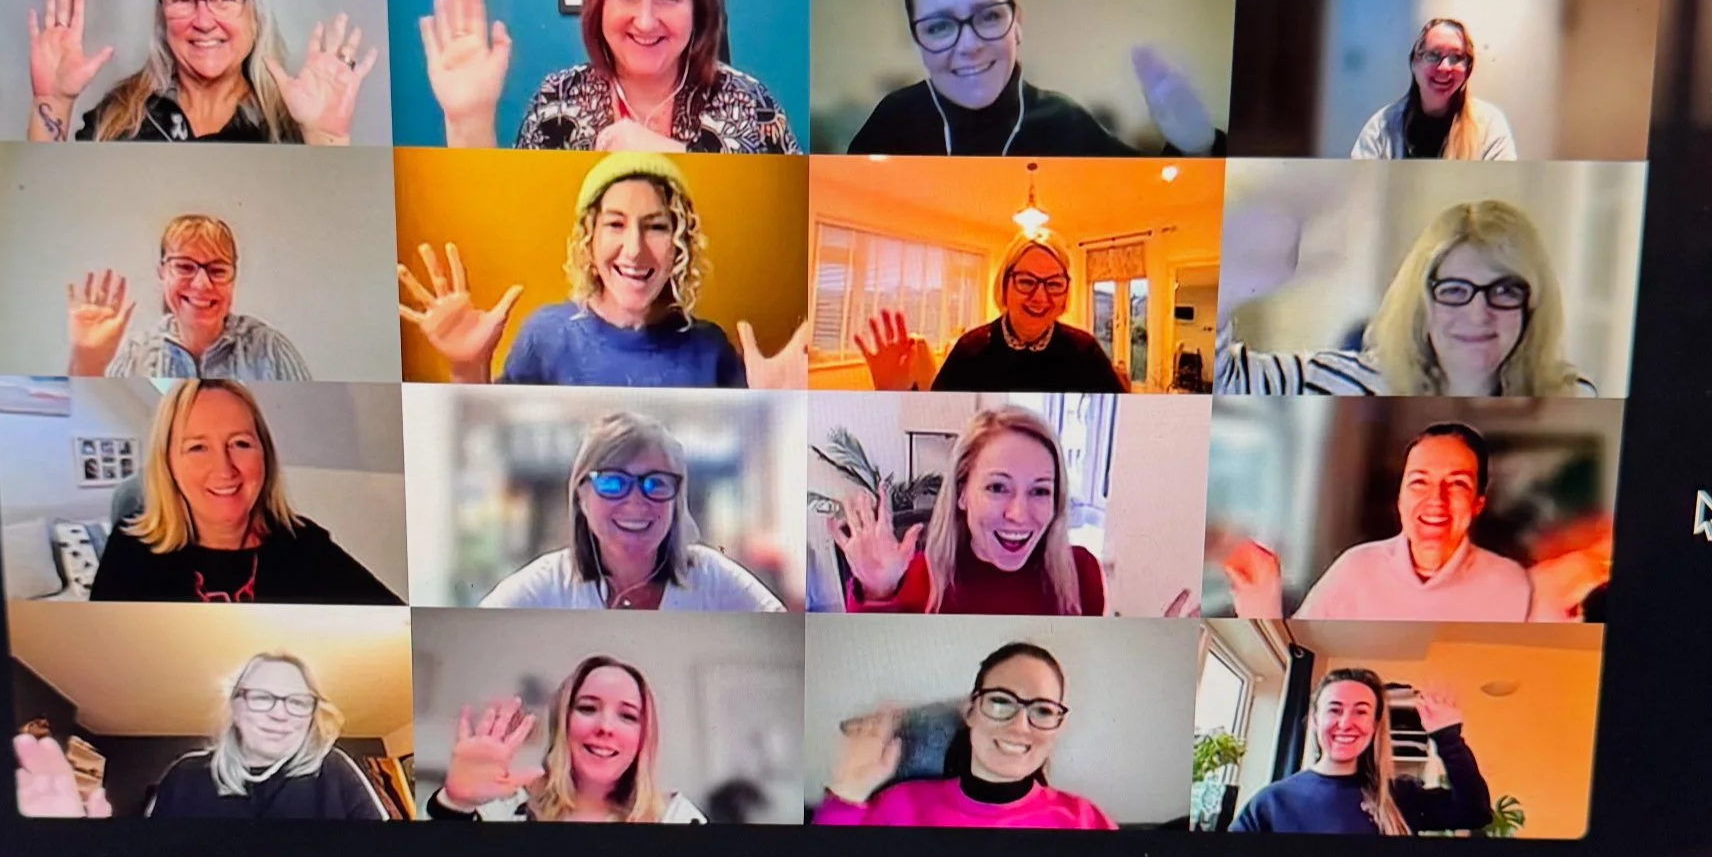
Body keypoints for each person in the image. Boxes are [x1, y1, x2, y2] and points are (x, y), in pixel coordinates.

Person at [396, 152, 808, 389]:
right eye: (615, 224)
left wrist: (779, 407)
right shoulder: (546, 336)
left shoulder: (709, 349)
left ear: (680, 243)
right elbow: (489, 456)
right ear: (588, 241)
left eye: (656, 226)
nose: (634, 249)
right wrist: (467, 370)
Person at [421, 0, 797, 153]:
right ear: (599, 5)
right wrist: (469, 121)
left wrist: (673, 156)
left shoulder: (752, 103)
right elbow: (510, 216)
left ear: (698, 10)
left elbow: (786, 220)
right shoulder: (557, 100)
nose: (646, 21)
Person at [844, 0, 1222, 156]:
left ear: (1017, 23)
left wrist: (1197, 144)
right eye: (940, 27)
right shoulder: (891, 121)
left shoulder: (1067, 124)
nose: (969, 44)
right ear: (917, 41)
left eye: (989, 16)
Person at [1218, 421, 1612, 622]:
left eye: (1456, 484)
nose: (1435, 500)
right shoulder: (1356, 569)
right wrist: (1260, 601)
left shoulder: (1513, 584)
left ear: (1477, 504)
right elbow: (1295, 655)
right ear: (1401, 497)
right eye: (1419, 482)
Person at [25, 0, 377, 144]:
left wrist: (325, 137)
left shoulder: (295, 120)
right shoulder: (119, 115)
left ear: (254, 13)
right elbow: (41, 201)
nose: (203, 20)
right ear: (161, 17)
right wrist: (53, 102)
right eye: (182, 0)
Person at [829, 405, 1189, 615]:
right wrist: (878, 593)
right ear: (962, 494)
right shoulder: (925, 580)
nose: (1019, 514)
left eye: (1040, 491)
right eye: (998, 487)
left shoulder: (1082, 574)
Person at [1214, 199, 1595, 396]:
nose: (1479, 314)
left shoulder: (1573, 393)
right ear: (1423, 301)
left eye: (1504, 290)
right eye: (1455, 291)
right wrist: (1226, 289)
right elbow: (1221, 384)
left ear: (1533, 302)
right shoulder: (1345, 381)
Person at [89, 380, 398, 604]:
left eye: (241, 443)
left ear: (265, 453)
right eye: (197, 447)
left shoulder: (306, 546)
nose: (225, 469)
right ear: (167, 463)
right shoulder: (130, 550)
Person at [13, 654, 389, 820]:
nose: (280, 712)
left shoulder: (337, 770)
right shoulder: (185, 775)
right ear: (237, 708)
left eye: (297, 701)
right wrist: (76, 851)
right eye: (262, 697)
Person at [481, 411, 783, 610]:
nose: (637, 502)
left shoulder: (711, 576)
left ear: (676, 499)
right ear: (581, 495)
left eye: (656, 483)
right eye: (613, 482)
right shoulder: (545, 584)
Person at [814, 642, 1117, 829]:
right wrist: (847, 792)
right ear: (971, 711)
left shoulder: (1084, 821)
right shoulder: (900, 805)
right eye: (1001, 701)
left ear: (1058, 725)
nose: (1020, 726)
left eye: (1042, 710)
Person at [424, 655, 706, 822]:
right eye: (587, 708)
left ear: (645, 736)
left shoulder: (678, 818)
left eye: (628, 715)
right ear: (562, 723)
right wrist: (454, 804)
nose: (605, 726)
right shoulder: (502, 808)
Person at [853, 230, 1127, 394]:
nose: (1040, 297)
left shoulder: (1085, 351)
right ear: (1005, 285)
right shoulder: (970, 349)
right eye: (1027, 282)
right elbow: (934, 422)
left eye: (1054, 284)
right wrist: (894, 394)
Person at [1230, 670, 1491, 834]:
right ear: (1315, 720)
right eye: (1334, 709)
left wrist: (1448, 739)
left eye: (1361, 711)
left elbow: (1475, 813)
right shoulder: (1271, 803)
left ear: (1375, 724)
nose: (1346, 723)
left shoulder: (1400, 796)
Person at [69, 214, 312, 382]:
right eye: (185, 267)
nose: (202, 284)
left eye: (218, 270)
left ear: (234, 279)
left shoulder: (271, 350)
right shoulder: (135, 354)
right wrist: (87, 360)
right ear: (162, 273)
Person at [1351, 18, 1515, 161]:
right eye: (1433, 55)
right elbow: (1359, 190)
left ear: (1468, 69)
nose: (1445, 67)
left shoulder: (1490, 126)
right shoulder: (1381, 127)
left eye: (1456, 57)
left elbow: (1501, 191)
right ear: (1415, 63)